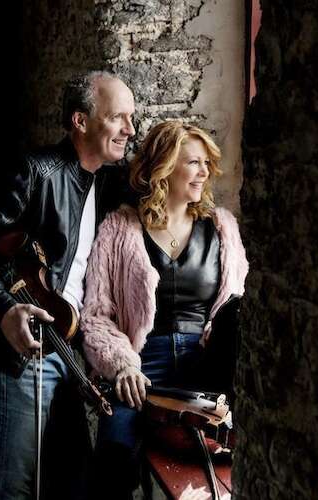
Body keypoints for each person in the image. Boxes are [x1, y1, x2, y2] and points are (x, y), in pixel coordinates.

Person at [0, 70, 136, 500]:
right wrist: (4, 309)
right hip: (14, 354)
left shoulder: (106, 181)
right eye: (118, 117)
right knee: (8, 490)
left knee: (72, 486)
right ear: (80, 121)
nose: (130, 129)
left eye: (132, 118)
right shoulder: (33, 171)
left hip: (62, 351)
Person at [79, 120, 248, 499]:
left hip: (205, 368)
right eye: (193, 162)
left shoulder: (222, 227)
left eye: (207, 163)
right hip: (140, 369)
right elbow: (96, 315)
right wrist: (122, 365)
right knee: (113, 457)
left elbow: (233, 305)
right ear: (164, 167)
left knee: (214, 472)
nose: (204, 172)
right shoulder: (119, 228)